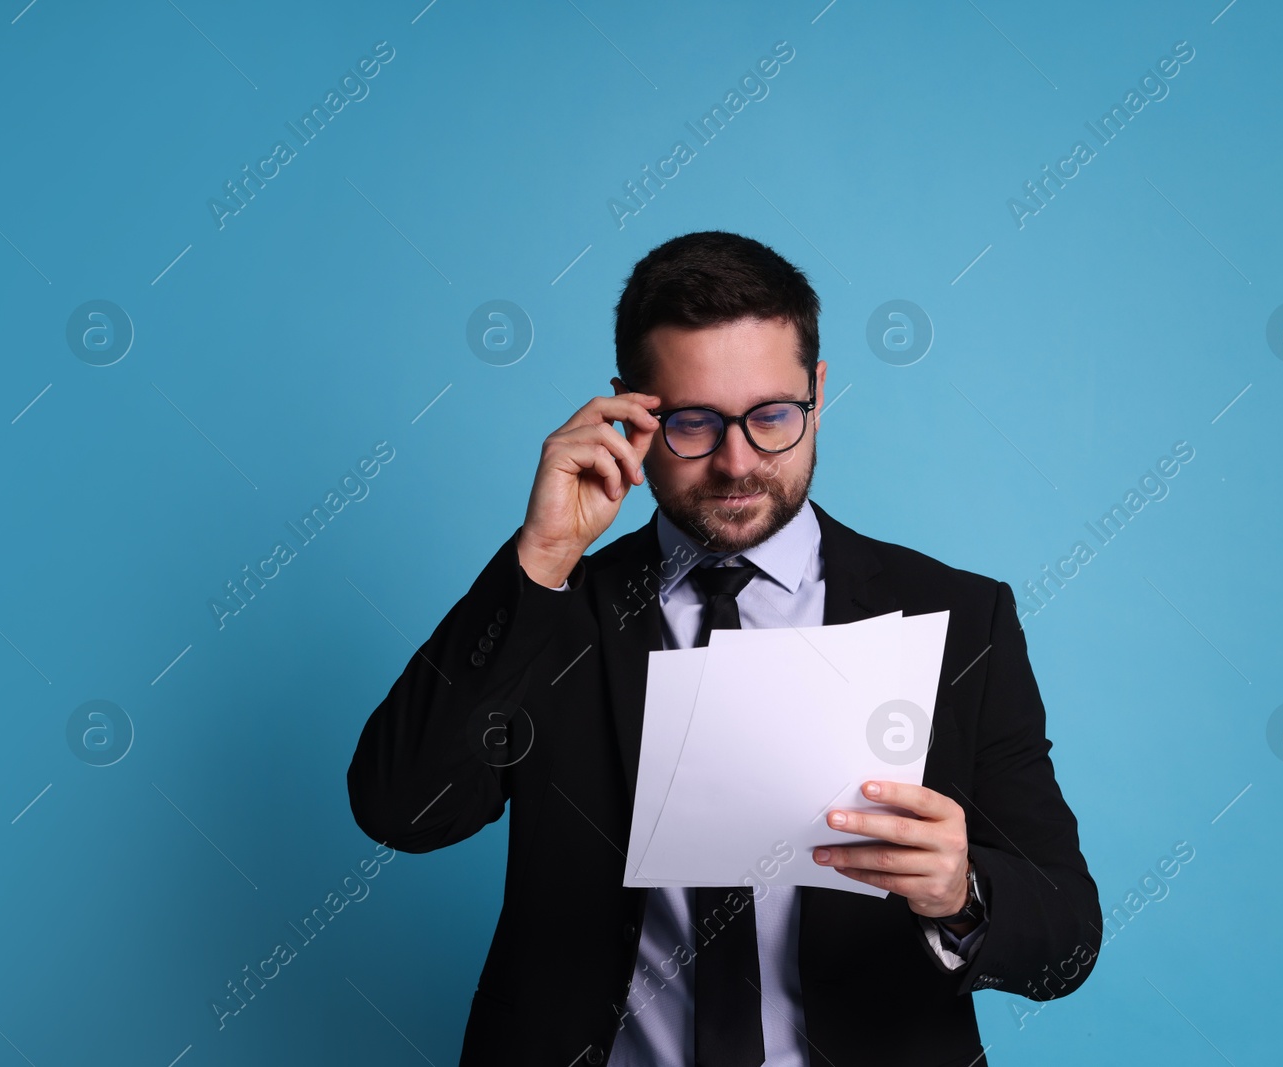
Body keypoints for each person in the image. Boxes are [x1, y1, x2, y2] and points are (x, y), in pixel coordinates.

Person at [347, 230, 1101, 1066]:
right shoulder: (558, 609)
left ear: (818, 390)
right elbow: (402, 808)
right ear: (629, 412)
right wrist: (541, 559)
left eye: (773, 415)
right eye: (694, 423)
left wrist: (962, 895)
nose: (738, 463)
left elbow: (1067, 941)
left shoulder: (959, 616)